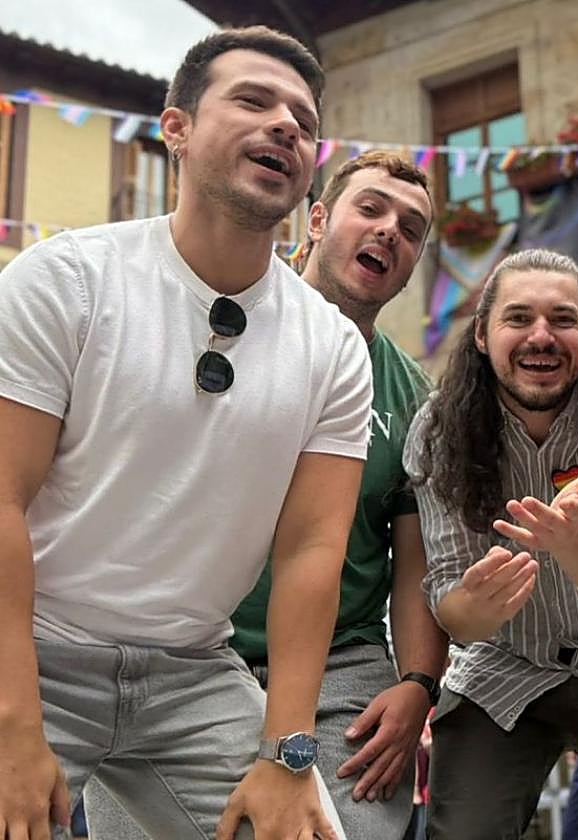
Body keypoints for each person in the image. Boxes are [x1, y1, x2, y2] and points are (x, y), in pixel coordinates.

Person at [0, 26, 370, 839]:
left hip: (195, 672)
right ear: (176, 130)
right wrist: (13, 725)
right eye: (252, 100)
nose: (285, 126)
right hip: (31, 649)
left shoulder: (334, 345)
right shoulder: (64, 281)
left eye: (304, 122)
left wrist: (288, 752)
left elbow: (312, 548)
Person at [84, 151, 447, 837]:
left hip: (341, 661)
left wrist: (418, 686)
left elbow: (415, 564)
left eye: (411, 227)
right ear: (315, 218)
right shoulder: (213, 325)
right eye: (370, 208)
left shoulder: (410, 395)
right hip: (177, 644)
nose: (389, 231)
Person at [403, 248, 578, 839]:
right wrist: (474, 607)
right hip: (503, 661)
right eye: (519, 319)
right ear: (482, 334)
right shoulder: (438, 429)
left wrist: (573, 539)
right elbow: (451, 603)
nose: (542, 336)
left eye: (563, 319)